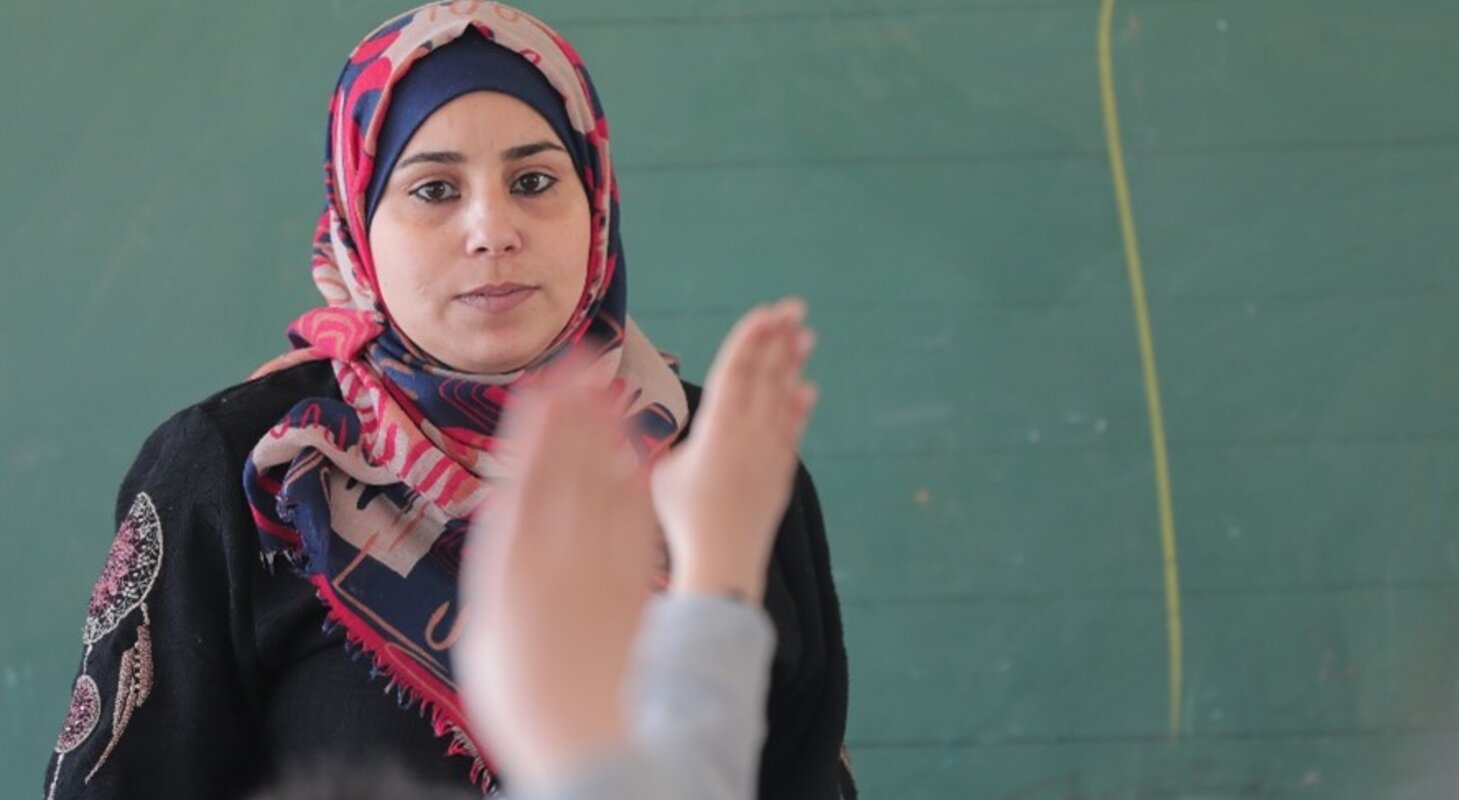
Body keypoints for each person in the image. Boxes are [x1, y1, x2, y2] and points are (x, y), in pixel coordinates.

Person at [43, 4, 852, 798]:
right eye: (433, 190)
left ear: (594, 203)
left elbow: (801, 775)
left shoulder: (721, 457)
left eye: (535, 180)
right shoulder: (245, 467)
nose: (492, 229)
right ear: (359, 218)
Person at [454, 300, 818, 800]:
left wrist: (719, 567)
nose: (493, 234)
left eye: (544, 211)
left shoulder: (723, 449)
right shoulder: (309, 477)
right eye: (433, 212)